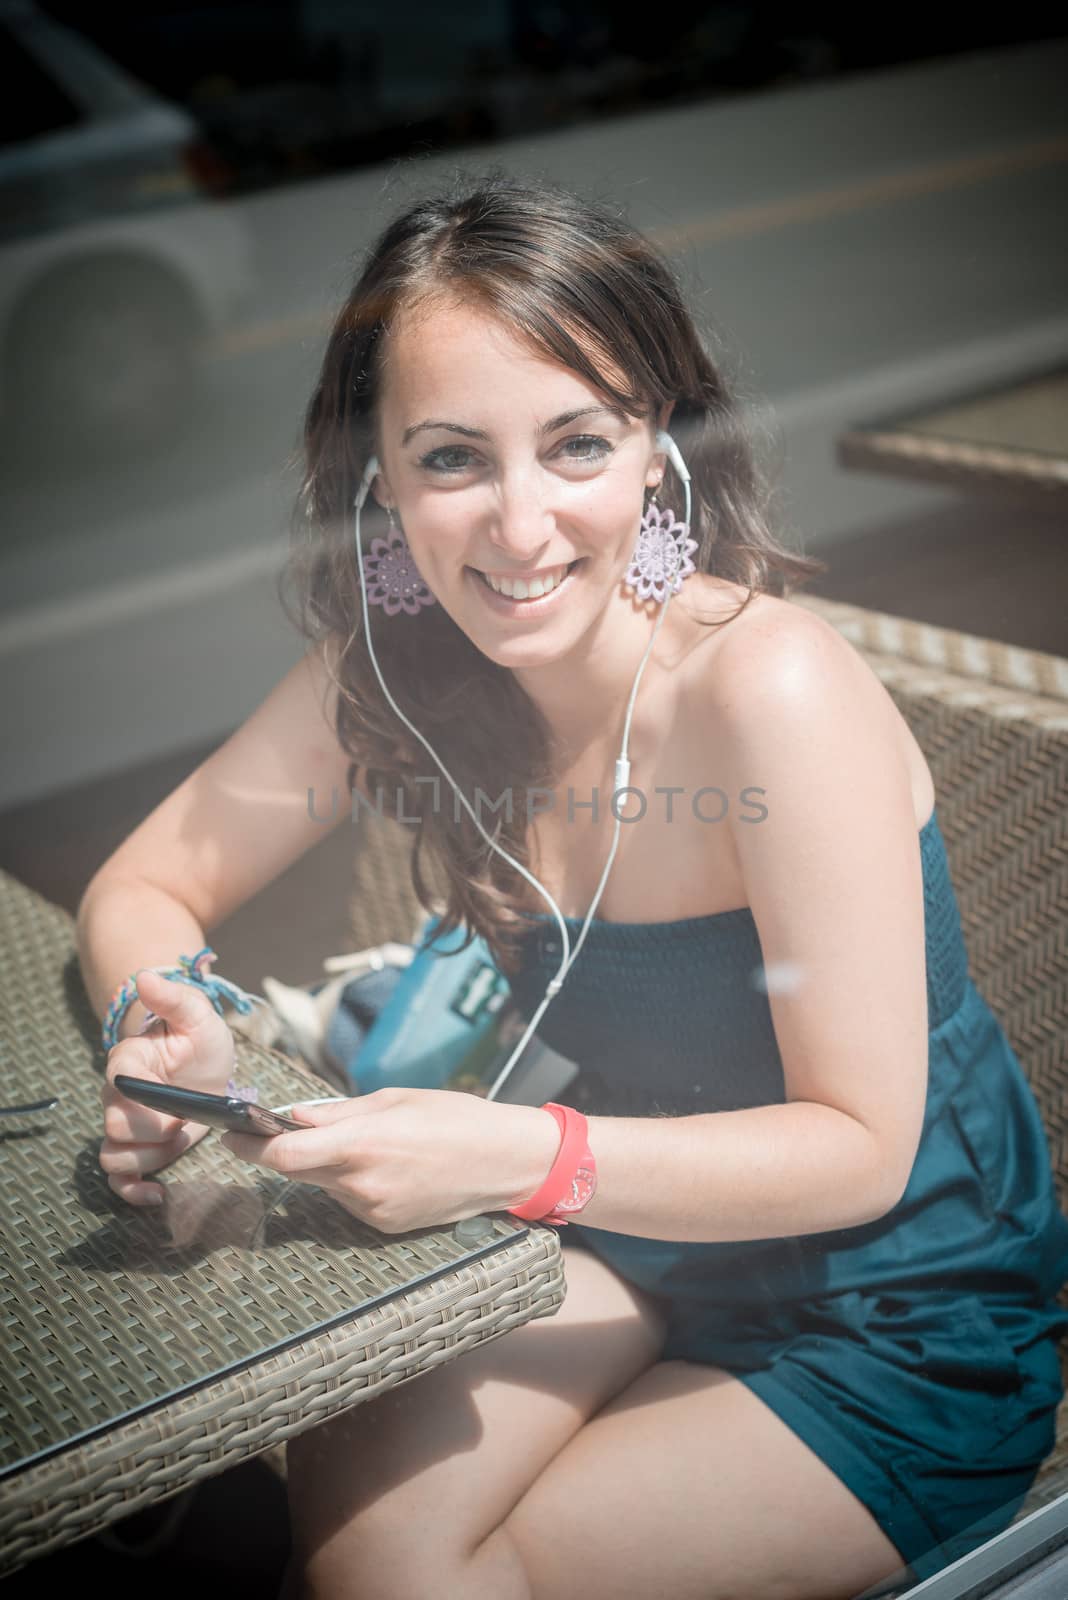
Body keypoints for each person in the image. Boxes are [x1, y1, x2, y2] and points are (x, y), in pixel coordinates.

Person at [78, 171, 1068, 1600]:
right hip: (615, 1227)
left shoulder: (769, 690)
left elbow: (861, 1143)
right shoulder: (396, 664)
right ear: (378, 477)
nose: (521, 527)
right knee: (355, 1548)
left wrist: (510, 1157)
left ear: (659, 444)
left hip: (886, 1304)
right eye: (451, 459)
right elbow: (147, 881)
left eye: (577, 444)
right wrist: (178, 1012)